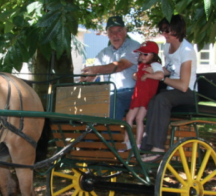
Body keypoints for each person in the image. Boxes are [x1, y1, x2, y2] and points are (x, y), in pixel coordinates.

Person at [140, 15, 197, 162]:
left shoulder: (186, 50)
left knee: (161, 100)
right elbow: (169, 69)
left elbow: (183, 86)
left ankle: (158, 147)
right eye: (162, 31)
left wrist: (162, 78)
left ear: (178, 30)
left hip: (188, 92)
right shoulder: (167, 47)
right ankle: (146, 148)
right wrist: (155, 71)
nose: (164, 34)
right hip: (172, 91)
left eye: (167, 31)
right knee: (153, 101)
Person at [81, 16, 140, 119]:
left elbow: (120, 66)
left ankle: (110, 129)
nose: (115, 35)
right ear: (107, 34)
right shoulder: (105, 52)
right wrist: (86, 76)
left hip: (131, 92)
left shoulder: (134, 46)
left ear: (125, 31)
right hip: (109, 93)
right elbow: (93, 71)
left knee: (114, 99)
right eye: (111, 32)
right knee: (85, 98)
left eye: (119, 31)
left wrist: (96, 70)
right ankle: (86, 128)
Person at [124, 41, 164, 150]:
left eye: (145, 54)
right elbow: (138, 76)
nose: (142, 56)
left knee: (138, 118)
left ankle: (137, 143)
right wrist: (136, 75)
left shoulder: (155, 65)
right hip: (138, 95)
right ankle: (127, 142)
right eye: (141, 54)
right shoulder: (141, 65)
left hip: (146, 96)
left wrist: (148, 75)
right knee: (130, 117)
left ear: (154, 55)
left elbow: (160, 75)